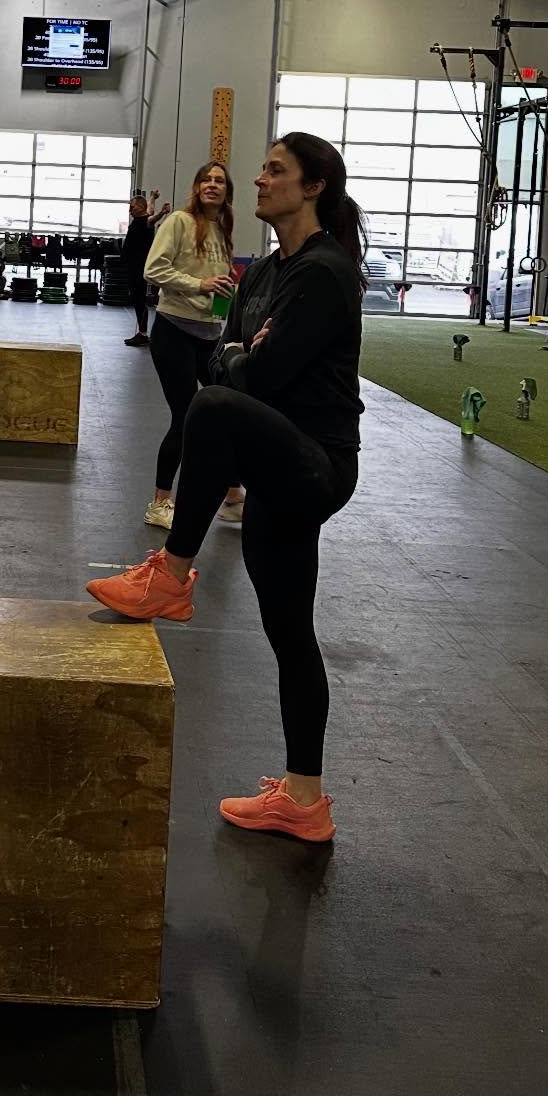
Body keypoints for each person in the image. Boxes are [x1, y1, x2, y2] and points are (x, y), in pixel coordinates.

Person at [88, 133, 365, 844]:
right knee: (289, 632)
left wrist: (243, 358)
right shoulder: (265, 270)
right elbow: (224, 355)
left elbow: (252, 377)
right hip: (276, 461)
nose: (259, 179)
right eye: (262, 168)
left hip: (317, 464)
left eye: (276, 170)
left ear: (314, 186)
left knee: (208, 410)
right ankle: (304, 799)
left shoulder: (324, 272)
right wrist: (244, 354)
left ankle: (172, 575)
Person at [140, 163, 236, 528]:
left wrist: (224, 293)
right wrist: (200, 285)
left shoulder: (222, 229)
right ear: (196, 187)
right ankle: (160, 503)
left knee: (228, 410)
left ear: (227, 191)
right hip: (174, 331)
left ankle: (233, 495)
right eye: (206, 180)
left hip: (209, 334)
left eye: (219, 181)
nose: (212, 185)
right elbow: (153, 269)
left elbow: (215, 281)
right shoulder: (179, 222)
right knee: (184, 416)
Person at [121, 188, 168, 347]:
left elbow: (153, 218)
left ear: (140, 207)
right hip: (133, 266)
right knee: (137, 299)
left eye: (132, 207)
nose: (130, 210)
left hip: (139, 267)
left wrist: (162, 213)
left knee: (139, 300)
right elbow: (150, 209)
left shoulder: (145, 221)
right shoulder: (142, 216)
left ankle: (142, 334)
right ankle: (142, 333)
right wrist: (153, 197)